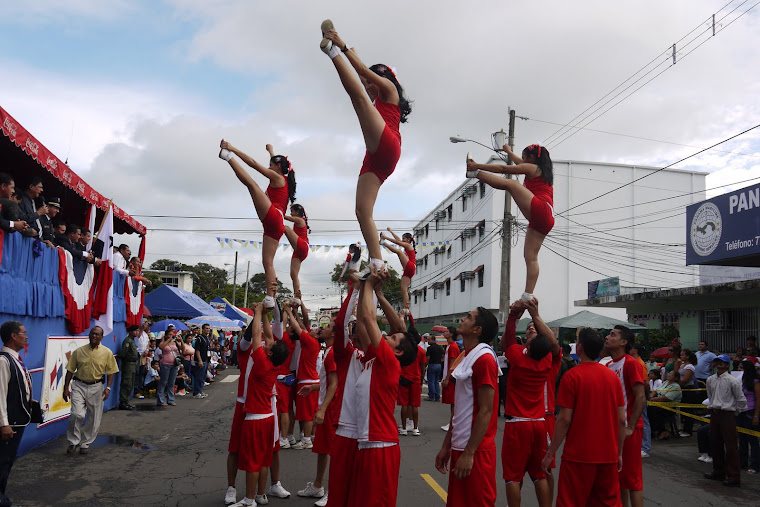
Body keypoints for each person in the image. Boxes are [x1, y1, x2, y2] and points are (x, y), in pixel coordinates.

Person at [320, 20, 412, 276]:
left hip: (388, 145)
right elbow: (361, 74)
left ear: (382, 78)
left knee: (359, 100)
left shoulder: (389, 89)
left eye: (373, 81)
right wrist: (353, 50)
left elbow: (361, 72)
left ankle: (331, 53)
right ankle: (377, 262)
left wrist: (341, 45)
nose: (369, 85)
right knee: (362, 211)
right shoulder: (378, 95)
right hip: (376, 156)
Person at [541, 328, 626, 507]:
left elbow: (564, 420)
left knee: (570, 502)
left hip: (578, 457)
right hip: (608, 456)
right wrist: (619, 453)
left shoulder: (572, 376)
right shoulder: (612, 378)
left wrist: (550, 453)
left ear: (579, 348)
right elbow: (621, 420)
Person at [466, 144, 553, 301]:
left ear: (532, 158)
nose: (522, 161)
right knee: (530, 257)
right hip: (544, 218)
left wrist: (477, 165)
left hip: (542, 210)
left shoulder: (534, 169)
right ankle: (528, 295)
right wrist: (508, 151)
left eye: (525, 157)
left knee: (511, 184)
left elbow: (504, 169)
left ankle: (475, 172)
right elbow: (519, 162)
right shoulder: (538, 170)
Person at [434, 307, 500, 506]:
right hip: (461, 446)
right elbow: (460, 411)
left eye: (468, 317)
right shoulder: (467, 355)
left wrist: (470, 453)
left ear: (477, 330)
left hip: (476, 451)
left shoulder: (485, 359)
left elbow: (486, 410)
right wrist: (447, 445)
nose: (462, 319)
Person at [220, 141, 297, 308]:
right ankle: (270, 298)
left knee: (252, 185)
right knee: (267, 263)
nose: (268, 166)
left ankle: (228, 157)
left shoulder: (277, 177)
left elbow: (254, 164)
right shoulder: (281, 176)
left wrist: (232, 148)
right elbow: (277, 163)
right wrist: (271, 151)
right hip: (276, 225)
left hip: (274, 217)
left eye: (271, 164)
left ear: (277, 166)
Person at [499, 298, 559, 507]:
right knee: (539, 475)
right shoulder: (547, 361)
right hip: (539, 423)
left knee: (513, 478)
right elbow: (552, 343)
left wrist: (515, 315)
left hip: (518, 423)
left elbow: (508, 340)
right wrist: (535, 314)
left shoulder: (517, 356)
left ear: (529, 346)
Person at [230, 301, 290, 507]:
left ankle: (248, 500)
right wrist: (266, 315)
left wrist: (256, 312)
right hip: (268, 417)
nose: (267, 342)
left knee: (253, 464)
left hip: (255, 419)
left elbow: (257, 336)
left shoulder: (262, 363)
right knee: (265, 459)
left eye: (269, 345)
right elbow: (269, 337)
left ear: (270, 353)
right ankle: (261, 494)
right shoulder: (273, 363)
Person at [296, 310, 338, 506]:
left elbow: (335, 385)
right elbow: (328, 382)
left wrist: (322, 410)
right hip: (326, 405)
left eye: (328, 327)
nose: (323, 328)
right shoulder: (327, 351)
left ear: (335, 334)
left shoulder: (333, 354)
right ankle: (318, 485)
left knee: (333, 451)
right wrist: (314, 387)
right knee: (322, 450)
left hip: (331, 409)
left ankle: (333, 492)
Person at [604, 325, 646, 507]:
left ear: (623, 342)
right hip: (614, 430)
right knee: (618, 478)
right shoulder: (608, 365)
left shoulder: (630, 363)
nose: (607, 337)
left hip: (630, 429)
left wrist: (630, 427)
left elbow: (641, 396)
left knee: (633, 481)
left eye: (612, 335)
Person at [62, 326, 119, 454]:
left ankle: (85, 443)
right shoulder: (79, 351)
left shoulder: (107, 352)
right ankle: (73, 442)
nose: (94, 336)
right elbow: (70, 370)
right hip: (79, 385)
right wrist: (66, 388)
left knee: (94, 418)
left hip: (96, 387)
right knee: (77, 414)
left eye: (97, 334)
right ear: (89, 335)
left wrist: (108, 388)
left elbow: (111, 372)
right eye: (92, 333)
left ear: (102, 337)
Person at [0, 321, 34, 507]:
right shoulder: (3, 361)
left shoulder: (15, 360)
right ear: (13, 336)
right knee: (3, 462)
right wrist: (3, 423)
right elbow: (0, 396)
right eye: (23, 333)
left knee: (7, 462)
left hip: (17, 421)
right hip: (9, 424)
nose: (26, 336)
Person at [704, 354, 747, 487]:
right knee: (715, 443)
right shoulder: (710, 380)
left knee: (731, 446)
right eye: (718, 362)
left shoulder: (732, 381)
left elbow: (740, 399)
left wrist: (735, 412)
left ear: (727, 365)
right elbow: (710, 396)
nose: (720, 364)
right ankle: (718, 471)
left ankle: (733, 476)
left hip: (727, 413)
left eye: (722, 362)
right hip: (715, 412)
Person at [283, 303, 321, 450]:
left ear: (316, 336)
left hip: (307, 380)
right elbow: (301, 326)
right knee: (309, 412)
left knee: (306, 414)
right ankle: (310, 436)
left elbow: (299, 328)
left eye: (315, 330)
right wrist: (295, 312)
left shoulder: (311, 342)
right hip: (309, 379)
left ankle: (306, 440)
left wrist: (288, 312)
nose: (310, 330)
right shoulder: (310, 341)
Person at [380, 228, 416, 312]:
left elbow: (397, 242)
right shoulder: (406, 245)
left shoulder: (408, 245)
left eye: (404, 238)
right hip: (408, 270)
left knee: (399, 252)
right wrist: (391, 231)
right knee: (403, 289)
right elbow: (398, 240)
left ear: (408, 240)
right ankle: (406, 307)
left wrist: (385, 238)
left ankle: (383, 243)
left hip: (410, 266)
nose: (402, 240)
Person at [398, 335, 426, 436]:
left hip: (404, 377)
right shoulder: (421, 351)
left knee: (404, 405)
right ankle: (415, 428)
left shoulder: (404, 350)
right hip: (416, 379)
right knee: (415, 405)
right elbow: (423, 367)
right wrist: (421, 380)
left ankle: (404, 428)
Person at [283, 203, 311, 301]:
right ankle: (297, 296)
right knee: (293, 274)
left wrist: (277, 210)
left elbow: (285, 217)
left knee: (285, 228)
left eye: (292, 211)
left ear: (297, 212)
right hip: (298, 251)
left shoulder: (300, 220)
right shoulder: (299, 220)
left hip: (302, 246)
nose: (291, 213)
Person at [738, 359, 760, 474]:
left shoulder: (755, 382)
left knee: (752, 439)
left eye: (741, 368)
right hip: (741, 410)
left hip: (750, 411)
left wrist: (756, 416)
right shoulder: (742, 380)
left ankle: (755, 464)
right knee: (742, 438)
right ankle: (742, 461)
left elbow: (758, 399)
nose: (738, 370)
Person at [648, 370, 682, 440]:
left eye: (671, 374)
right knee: (648, 409)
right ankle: (652, 430)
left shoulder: (676, 386)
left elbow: (667, 398)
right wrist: (651, 396)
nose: (669, 375)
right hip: (658, 404)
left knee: (653, 410)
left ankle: (661, 431)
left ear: (676, 378)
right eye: (669, 373)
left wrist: (654, 399)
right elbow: (656, 390)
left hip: (669, 407)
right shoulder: (665, 382)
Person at [440, 327, 460, 431]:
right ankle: (452, 423)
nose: (445, 332)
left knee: (453, 402)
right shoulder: (450, 346)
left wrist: (447, 378)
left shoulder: (453, 346)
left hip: (452, 378)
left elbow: (453, 363)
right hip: (450, 376)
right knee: (452, 402)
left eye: (447, 331)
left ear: (451, 334)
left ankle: (453, 424)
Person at [117, 325, 141, 410]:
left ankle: (126, 400)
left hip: (133, 364)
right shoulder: (127, 341)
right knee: (126, 383)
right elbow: (123, 353)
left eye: (137, 331)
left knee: (130, 383)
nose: (137, 332)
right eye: (135, 331)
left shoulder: (132, 341)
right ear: (130, 331)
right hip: (128, 364)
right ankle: (123, 402)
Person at [677, 348, 699, 437]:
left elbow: (685, 380)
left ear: (688, 356)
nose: (681, 356)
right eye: (681, 355)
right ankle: (684, 428)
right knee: (684, 410)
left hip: (688, 389)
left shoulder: (689, 367)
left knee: (689, 410)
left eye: (683, 355)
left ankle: (688, 430)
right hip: (682, 389)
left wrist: (677, 383)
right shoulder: (682, 365)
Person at [157, 331, 181, 407]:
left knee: (172, 382)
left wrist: (181, 341)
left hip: (174, 364)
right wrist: (168, 340)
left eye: (172, 334)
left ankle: (171, 399)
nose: (171, 336)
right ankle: (161, 400)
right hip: (165, 364)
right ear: (166, 335)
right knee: (163, 382)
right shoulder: (163, 342)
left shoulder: (175, 342)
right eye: (169, 334)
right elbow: (161, 347)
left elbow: (182, 348)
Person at [193, 325, 212, 399]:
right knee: (199, 376)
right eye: (206, 328)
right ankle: (196, 392)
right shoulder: (199, 338)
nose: (208, 330)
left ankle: (200, 391)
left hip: (206, 359)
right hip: (201, 360)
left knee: (203, 377)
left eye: (209, 328)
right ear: (203, 329)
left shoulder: (206, 338)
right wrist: (200, 360)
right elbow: (197, 350)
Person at [425, 334, 444, 403]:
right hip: (438, 365)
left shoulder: (430, 348)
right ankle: (437, 396)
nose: (428, 341)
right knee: (436, 381)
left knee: (431, 381)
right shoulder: (440, 348)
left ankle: (431, 396)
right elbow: (442, 357)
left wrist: (425, 365)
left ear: (433, 340)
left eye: (429, 339)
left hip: (432, 364)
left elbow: (428, 358)